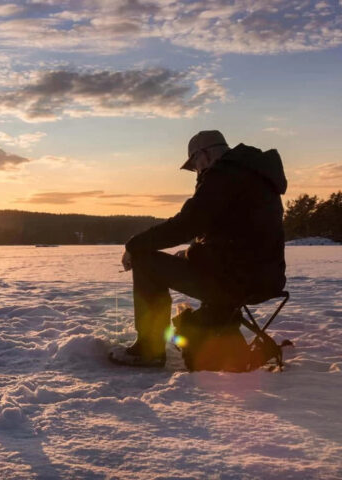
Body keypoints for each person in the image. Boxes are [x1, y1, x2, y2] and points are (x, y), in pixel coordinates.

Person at [111, 130, 288, 369]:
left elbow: (186, 225)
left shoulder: (223, 175)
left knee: (145, 262)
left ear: (203, 155)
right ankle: (212, 335)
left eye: (194, 164)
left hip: (232, 281)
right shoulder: (256, 176)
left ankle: (148, 350)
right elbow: (231, 235)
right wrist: (189, 254)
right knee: (184, 259)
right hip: (265, 279)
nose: (196, 171)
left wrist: (134, 244)